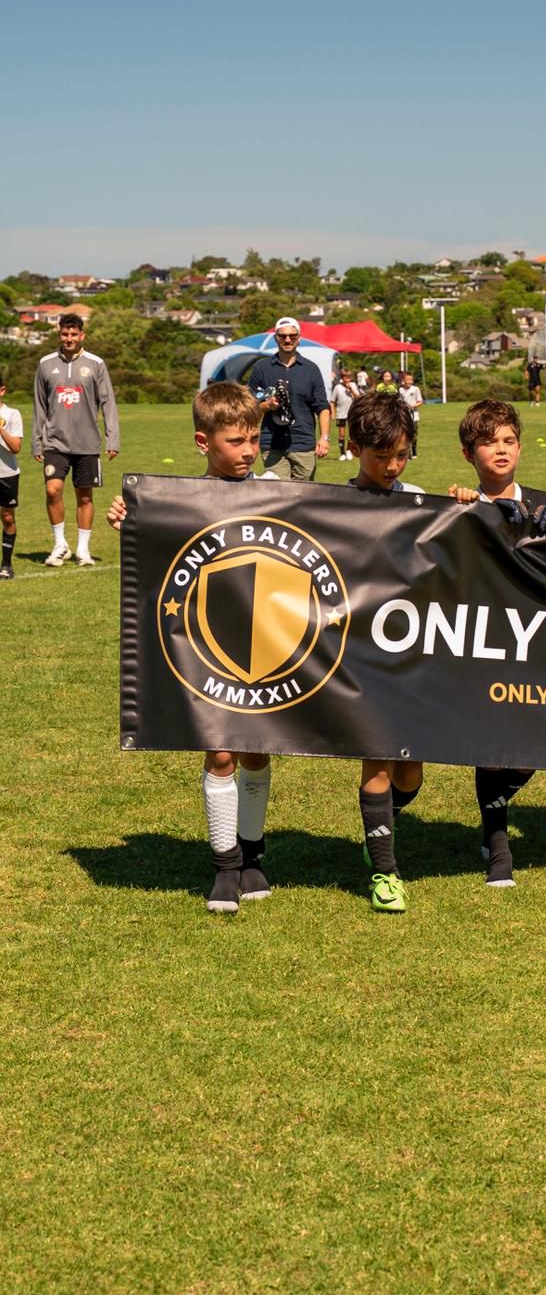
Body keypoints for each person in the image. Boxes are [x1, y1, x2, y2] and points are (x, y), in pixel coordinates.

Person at [107, 383, 276, 913]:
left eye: (254, 439)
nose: (248, 451)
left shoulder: (277, 491)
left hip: (270, 643)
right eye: (235, 442)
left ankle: (253, 854)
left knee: (256, 748)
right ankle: (226, 865)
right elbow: (159, 552)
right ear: (204, 442)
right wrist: (131, 520)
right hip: (207, 648)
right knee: (220, 749)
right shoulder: (181, 499)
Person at [449, 398, 546, 887]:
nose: (501, 450)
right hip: (484, 640)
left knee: (538, 744)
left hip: (535, 640)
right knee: (492, 743)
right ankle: (497, 841)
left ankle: (494, 811)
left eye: (509, 441)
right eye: (488, 442)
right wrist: (463, 514)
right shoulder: (459, 506)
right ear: (468, 453)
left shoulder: (542, 499)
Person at [346, 392, 424, 912]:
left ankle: (381, 820)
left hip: (415, 652)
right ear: (354, 449)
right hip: (359, 654)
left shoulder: (417, 498)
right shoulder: (329, 504)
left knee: (410, 769)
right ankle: (385, 873)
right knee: (377, 759)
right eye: (381, 457)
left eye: (401, 454)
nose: (393, 467)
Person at [32, 313, 120, 567]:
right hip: (54, 442)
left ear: (82, 336)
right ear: (59, 334)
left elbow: (108, 403)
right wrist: (37, 440)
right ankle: (60, 545)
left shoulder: (96, 364)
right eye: (64, 334)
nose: (69, 338)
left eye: (73, 334)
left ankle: (83, 550)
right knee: (53, 490)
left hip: (87, 443)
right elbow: (39, 405)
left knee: (84, 497)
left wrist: (112, 439)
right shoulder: (45, 364)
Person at [247, 318, 330, 481]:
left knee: (303, 496)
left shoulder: (311, 369)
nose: (287, 340)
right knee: (279, 493)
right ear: (275, 338)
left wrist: (324, 437)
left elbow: (322, 407)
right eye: (282, 336)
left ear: (299, 338)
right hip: (271, 443)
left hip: (303, 443)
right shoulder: (261, 368)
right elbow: (249, 408)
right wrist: (267, 405)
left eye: (292, 336)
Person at [0, 369, 23, 580]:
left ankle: (6, 564)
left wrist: (1, 429)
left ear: (2, 391)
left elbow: (16, 447)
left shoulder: (12, 414)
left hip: (6, 474)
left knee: (7, 517)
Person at [329, 367, 357, 461]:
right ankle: (342, 453)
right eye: (345, 377)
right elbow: (332, 401)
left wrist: (351, 390)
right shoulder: (337, 387)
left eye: (349, 377)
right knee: (341, 434)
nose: (347, 379)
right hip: (341, 414)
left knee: (351, 434)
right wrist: (332, 412)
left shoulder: (353, 385)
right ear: (342, 377)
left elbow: (358, 397)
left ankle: (349, 450)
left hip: (352, 413)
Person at [398, 370, 424, 456]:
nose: (410, 382)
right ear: (403, 380)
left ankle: (414, 449)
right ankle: (407, 452)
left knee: (413, 433)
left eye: (411, 380)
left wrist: (413, 406)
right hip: (403, 416)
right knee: (404, 434)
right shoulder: (400, 390)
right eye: (407, 380)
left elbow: (420, 401)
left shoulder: (416, 389)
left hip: (414, 416)